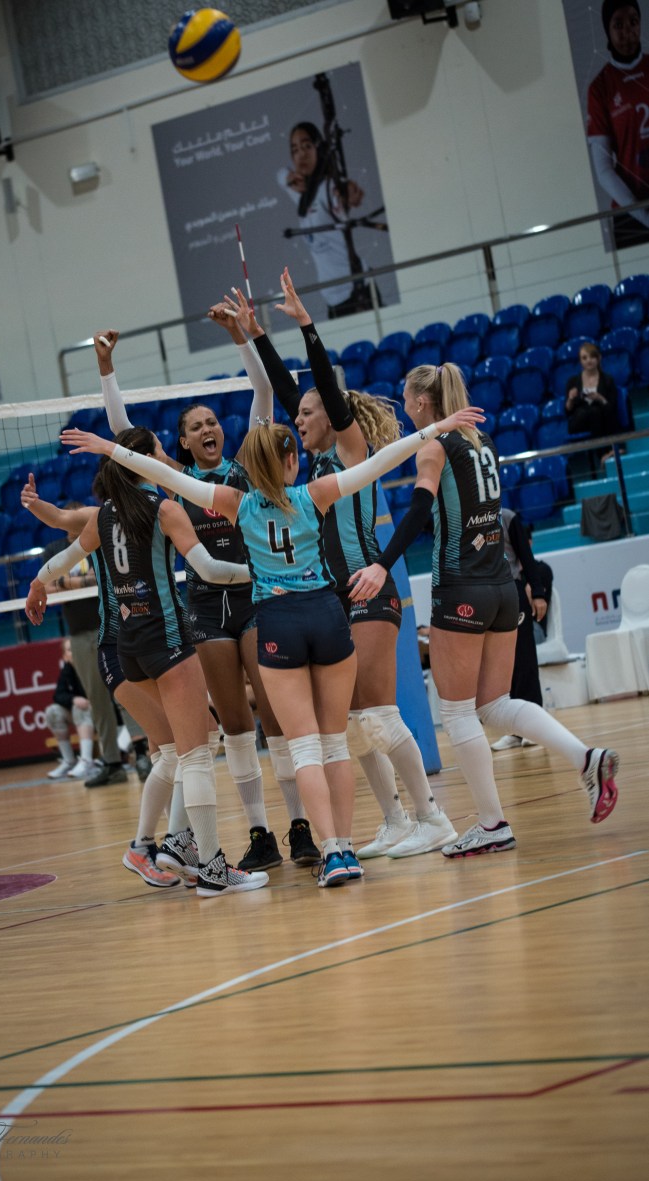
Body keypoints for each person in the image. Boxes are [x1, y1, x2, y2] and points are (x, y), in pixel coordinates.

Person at [60, 394, 485, 886]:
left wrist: (110, 449)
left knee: (302, 750)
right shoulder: (313, 494)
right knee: (335, 745)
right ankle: (347, 847)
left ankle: (331, 854)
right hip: (326, 615)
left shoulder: (234, 502)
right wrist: (435, 429)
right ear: (291, 462)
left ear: (248, 468)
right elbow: (379, 463)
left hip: (277, 622)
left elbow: (164, 474)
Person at [232, 270, 457, 859]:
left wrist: (306, 326)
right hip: (335, 599)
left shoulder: (350, 451)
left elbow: (325, 397)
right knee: (352, 725)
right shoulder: (309, 470)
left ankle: (432, 816)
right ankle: (395, 821)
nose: (298, 420)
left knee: (377, 716)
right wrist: (257, 336)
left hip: (369, 590)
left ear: (331, 419)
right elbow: (291, 395)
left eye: (308, 414)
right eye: (298, 414)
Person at [93, 322, 321, 873]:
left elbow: (262, 392)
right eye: (195, 427)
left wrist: (242, 337)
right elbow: (125, 435)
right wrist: (106, 369)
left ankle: (299, 827)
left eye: (212, 421)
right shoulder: (174, 481)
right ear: (183, 443)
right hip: (203, 610)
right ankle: (260, 834)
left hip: (253, 603)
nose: (207, 429)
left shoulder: (244, 469)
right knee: (236, 726)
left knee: (275, 716)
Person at [370, 362, 620, 857]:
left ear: (422, 402)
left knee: (456, 711)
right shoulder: (482, 441)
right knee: (494, 706)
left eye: (406, 398)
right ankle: (585, 757)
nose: (404, 406)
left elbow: (419, 510)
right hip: (504, 586)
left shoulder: (434, 445)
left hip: (461, 585)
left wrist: (382, 564)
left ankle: (491, 823)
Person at [27, 426, 270, 899]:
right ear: (142, 462)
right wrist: (259, 572)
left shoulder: (104, 516)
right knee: (195, 755)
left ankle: (175, 843)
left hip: (130, 649)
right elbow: (210, 571)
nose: (164, 456)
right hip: (167, 639)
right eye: (156, 451)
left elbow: (65, 559)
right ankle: (212, 868)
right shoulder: (164, 509)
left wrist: (38, 583)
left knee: (188, 747)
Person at [42, 508, 130, 789]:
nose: (74, 523)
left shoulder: (98, 540)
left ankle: (143, 752)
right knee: (97, 700)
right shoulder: (55, 550)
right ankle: (112, 763)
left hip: (112, 625)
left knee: (126, 692)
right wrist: (78, 581)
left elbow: (104, 577)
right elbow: (48, 587)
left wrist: (65, 581)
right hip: (79, 634)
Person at [278, 122, 377, 319]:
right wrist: (288, 177)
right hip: (332, 299)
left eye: (307, 146)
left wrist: (348, 193)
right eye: (295, 150)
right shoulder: (300, 192)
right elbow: (279, 175)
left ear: (319, 148)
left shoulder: (328, 187)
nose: (301, 155)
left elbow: (341, 193)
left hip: (357, 292)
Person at [587, 0, 649, 248]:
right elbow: (603, 169)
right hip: (631, 214)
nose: (627, 32)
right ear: (607, 30)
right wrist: (643, 214)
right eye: (618, 25)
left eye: (633, 22)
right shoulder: (599, 88)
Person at [489, 508, 549, 751]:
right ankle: (514, 730)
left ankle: (535, 727)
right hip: (485, 596)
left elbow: (526, 556)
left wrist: (538, 592)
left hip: (511, 590)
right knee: (501, 667)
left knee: (524, 660)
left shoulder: (507, 517)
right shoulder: (463, 518)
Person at [45, 638, 99, 779]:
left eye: (75, 647)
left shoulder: (93, 663)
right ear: (65, 657)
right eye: (70, 650)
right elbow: (58, 695)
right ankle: (69, 761)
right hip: (82, 716)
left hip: (102, 714)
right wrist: (73, 699)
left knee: (80, 708)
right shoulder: (67, 670)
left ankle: (87, 761)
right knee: (52, 712)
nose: (74, 652)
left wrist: (88, 702)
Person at [564, 341, 621, 464]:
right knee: (595, 412)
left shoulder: (607, 380)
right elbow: (568, 411)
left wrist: (600, 398)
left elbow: (612, 407)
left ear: (599, 358)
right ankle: (607, 452)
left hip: (601, 417)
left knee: (600, 412)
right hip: (579, 420)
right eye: (584, 358)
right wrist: (570, 399)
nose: (588, 361)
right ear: (580, 361)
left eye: (592, 357)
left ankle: (609, 452)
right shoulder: (573, 381)